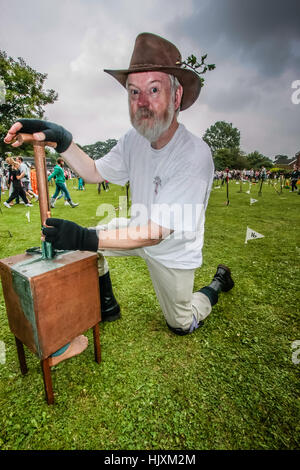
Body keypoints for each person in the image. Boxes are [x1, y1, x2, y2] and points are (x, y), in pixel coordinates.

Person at [4, 32, 234, 365]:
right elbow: (95, 172)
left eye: (154, 89)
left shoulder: (194, 156)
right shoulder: (133, 139)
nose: (142, 102)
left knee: (181, 324)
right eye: (134, 92)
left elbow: (156, 233)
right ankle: (107, 305)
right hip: (135, 229)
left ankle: (216, 283)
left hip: (173, 250)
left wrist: (86, 236)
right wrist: (63, 140)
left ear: (177, 94)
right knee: (85, 247)